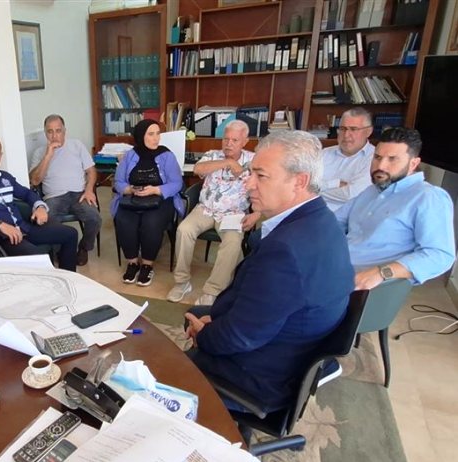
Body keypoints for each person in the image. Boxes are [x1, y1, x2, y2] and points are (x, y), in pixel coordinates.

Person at [184, 131, 354, 411]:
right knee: (197, 313)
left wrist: (204, 336)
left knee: (165, 370)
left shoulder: (286, 251)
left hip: (260, 376)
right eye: (251, 173)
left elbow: (240, 337)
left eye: (261, 176)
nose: (248, 183)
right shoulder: (325, 221)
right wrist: (214, 319)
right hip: (290, 346)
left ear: (299, 181)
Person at [336, 127, 455, 291]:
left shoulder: (428, 197)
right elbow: (334, 222)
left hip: (359, 287)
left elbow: (440, 255)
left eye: (392, 159)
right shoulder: (372, 191)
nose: (381, 166)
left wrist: (382, 273)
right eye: (377, 157)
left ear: (413, 163)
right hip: (331, 267)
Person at [167, 120, 261, 305]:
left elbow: (263, 188)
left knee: (232, 242)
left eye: (235, 140)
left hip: (234, 213)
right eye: (226, 139)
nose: (229, 143)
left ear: (245, 141)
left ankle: (213, 291)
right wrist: (227, 162)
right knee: (184, 230)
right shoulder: (212, 155)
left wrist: (256, 214)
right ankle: (182, 282)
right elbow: (198, 169)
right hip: (205, 209)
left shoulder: (254, 161)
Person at [0, 136, 78, 272]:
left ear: (0, 155)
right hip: (2, 237)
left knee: (70, 234)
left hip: (24, 228)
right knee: (39, 260)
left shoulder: (5, 177)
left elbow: (27, 193)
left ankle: (68, 278)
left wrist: (40, 207)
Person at [110, 119, 184, 286]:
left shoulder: (167, 155)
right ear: (141, 136)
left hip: (160, 200)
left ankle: (147, 265)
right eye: (151, 134)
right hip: (133, 199)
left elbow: (177, 183)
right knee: (124, 220)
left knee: (151, 223)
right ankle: (132, 263)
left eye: (158, 134)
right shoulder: (130, 155)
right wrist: (130, 189)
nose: (156, 138)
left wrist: (156, 190)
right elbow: (118, 182)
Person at [29, 114, 102, 266]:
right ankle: (60, 252)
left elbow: (91, 171)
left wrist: (89, 190)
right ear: (45, 133)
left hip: (79, 194)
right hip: (53, 197)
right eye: (50, 131)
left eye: (58, 130)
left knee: (94, 218)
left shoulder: (77, 145)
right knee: (47, 221)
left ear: (64, 131)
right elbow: (35, 181)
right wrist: (48, 155)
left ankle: (84, 248)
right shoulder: (39, 152)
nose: (54, 135)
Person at [319, 108, 375, 211]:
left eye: (353, 129)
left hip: (343, 218)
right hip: (310, 213)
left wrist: (314, 190)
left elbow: (352, 194)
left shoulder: (375, 158)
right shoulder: (324, 153)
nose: (346, 135)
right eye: (343, 129)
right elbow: (302, 183)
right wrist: (335, 184)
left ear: (368, 131)